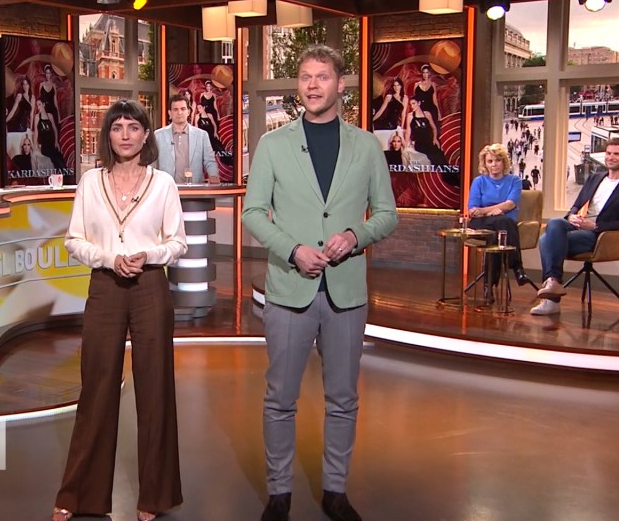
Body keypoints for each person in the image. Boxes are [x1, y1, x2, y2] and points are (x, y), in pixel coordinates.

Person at [242, 45, 398, 521]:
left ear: (340, 85)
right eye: (305, 77)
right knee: (280, 398)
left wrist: (355, 235)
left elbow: (387, 214)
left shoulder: (366, 146)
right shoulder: (273, 144)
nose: (312, 85)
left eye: (322, 76)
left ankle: (334, 490)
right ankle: (279, 493)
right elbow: (253, 212)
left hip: (345, 292)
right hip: (290, 289)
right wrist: (292, 249)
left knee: (343, 399)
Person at [52, 99, 187, 521]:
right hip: (106, 286)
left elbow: (178, 242)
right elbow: (74, 240)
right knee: (97, 388)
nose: (125, 135)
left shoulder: (163, 184)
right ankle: (80, 495)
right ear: (107, 135)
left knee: (155, 389)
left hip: (150, 287)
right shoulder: (90, 182)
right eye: (117, 127)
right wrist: (110, 259)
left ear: (146, 135)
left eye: (133, 127)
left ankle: (155, 497)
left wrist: (149, 255)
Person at [531, 138, 619, 315]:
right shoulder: (595, 178)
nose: (611, 157)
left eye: (616, 154)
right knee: (555, 223)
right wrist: (572, 216)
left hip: (598, 234)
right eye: (608, 153)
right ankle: (553, 283)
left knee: (546, 240)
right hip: (578, 225)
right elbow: (576, 205)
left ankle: (552, 294)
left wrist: (595, 226)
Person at [467, 143, 529, 288]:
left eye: (498, 160)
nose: (494, 164)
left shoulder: (514, 181)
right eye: (490, 161)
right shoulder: (479, 181)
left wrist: (485, 210)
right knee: (503, 222)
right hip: (482, 223)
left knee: (496, 235)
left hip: (503, 225)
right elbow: (473, 210)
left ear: (504, 162)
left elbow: (510, 204)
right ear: (485, 164)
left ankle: (488, 285)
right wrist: (490, 212)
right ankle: (518, 268)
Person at [154, 93, 219, 184]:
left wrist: (213, 176)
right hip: (167, 189)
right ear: (170, 113)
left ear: (188, 112)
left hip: (195, 189)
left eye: (183, 109)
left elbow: (210, 161)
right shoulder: (158, 135)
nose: (179, 113)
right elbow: (152, 164)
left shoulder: (202, 135)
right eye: (175, 109)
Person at [404, 97, 447, 166]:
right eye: (410, 104)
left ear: (419, 103)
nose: (412, 106)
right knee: (432, 156)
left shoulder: (427, 114)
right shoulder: (410, 116)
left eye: (413, 103)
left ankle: (447, 171)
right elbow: (408, 132)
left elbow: (434, 128)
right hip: (420, 143)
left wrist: (435, 138)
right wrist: (406, 145)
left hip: (429, 141)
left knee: (440, 157)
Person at [33, 98, 66, 172]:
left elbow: (55, 129)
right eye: (37, 105)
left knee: (59, 157)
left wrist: (56, 142)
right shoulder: (37, 117)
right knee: (55, 157)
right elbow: (36, 132)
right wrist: (35, 145)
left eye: (39, 105)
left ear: (43, 104)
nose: (38, 107)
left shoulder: (49, 116)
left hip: (52, 143)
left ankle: (64, 174)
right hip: (44, 145)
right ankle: (61, 173)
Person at [412, 63, 439, 128]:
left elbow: (435, 100)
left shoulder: (433, 84)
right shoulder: (417, 85)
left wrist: (438, 113)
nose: (425, 74)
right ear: (421, 73)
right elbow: (414, 100)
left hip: (431, 109)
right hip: (421, 109)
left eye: (427, 72)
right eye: (423, 72)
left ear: (429, 73)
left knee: (432, 128)